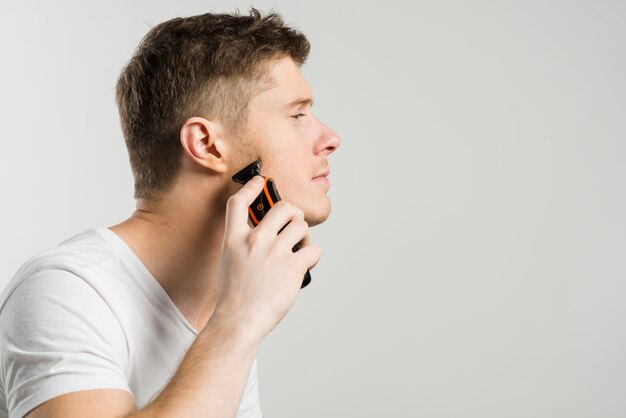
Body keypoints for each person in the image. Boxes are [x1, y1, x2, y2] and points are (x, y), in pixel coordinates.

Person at [0, 8, 340, 418]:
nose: (330, 138)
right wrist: (239, 322)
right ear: (207, 145)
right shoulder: (67, 290)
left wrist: (235, 320)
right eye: (298, 114)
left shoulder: (220, 312)